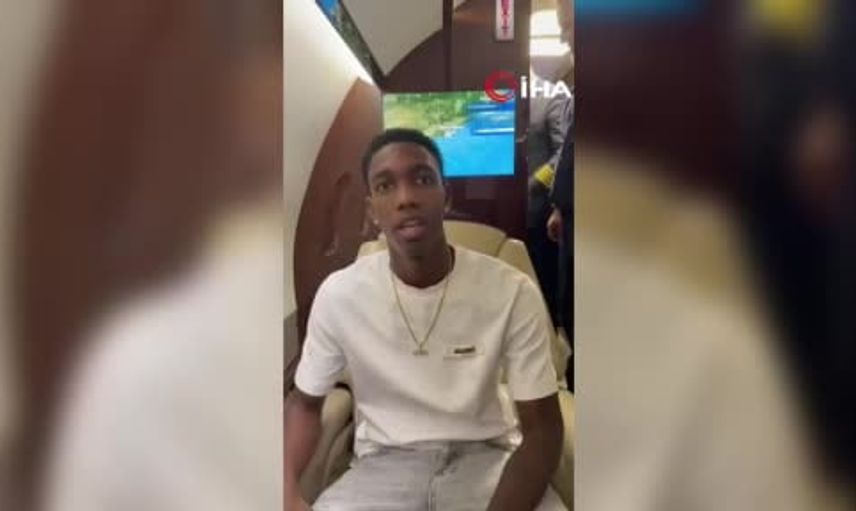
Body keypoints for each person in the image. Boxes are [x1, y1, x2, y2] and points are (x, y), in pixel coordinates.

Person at [285, 128, 566, 511]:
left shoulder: (510, 290)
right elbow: (305, 404)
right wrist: (284, 490)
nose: (406, 198)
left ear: (446, 196)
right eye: (385, 186)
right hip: (381, 468)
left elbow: (543, 429)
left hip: (488, 459)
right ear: (371, 211)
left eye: (421, 179)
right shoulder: (339, 295)